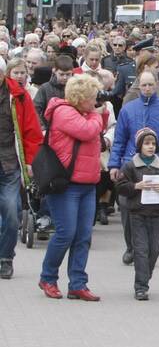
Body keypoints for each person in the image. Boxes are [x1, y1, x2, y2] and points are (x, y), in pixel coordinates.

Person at [38, 74, 109, 301]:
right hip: (65, 184)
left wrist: (100, 114)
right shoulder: (63, 112)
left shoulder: (87, 114)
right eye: (92, 97)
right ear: (81, 97)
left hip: (87, 183)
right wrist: (97, 116)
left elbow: (98, 129)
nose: (95, 100)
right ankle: (48, 277)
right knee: (65, 234)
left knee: (83, 236)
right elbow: (89, 132)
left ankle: (78, 283)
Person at [109, 71, 159, 266]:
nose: (148, 89)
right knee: (127, 207)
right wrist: (114, 165)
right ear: (138, 86)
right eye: (144, 85)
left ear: (157, 85)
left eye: (151, 85)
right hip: (131, 165)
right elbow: (119, 140)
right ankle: (132, 246)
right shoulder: (128, 109)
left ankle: (150, 246)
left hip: (158, 166)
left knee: (152, 210)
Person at [115, 128, 159, 300]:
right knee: (141, 250)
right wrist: (135, 186)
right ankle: (141, 287)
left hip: (155, 214)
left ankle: (145, 276)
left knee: (155, 249)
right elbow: (120, 187)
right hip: (137, 213)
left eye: (153, 143)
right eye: (146, 143)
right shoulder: (130, 166)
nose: (150, 147)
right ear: (139, 146)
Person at [0, 62, 43, 280]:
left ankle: (6, 258)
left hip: (10, 163)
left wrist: (31, 161)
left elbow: (32, 132)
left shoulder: (19, 96)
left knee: (11, 212)